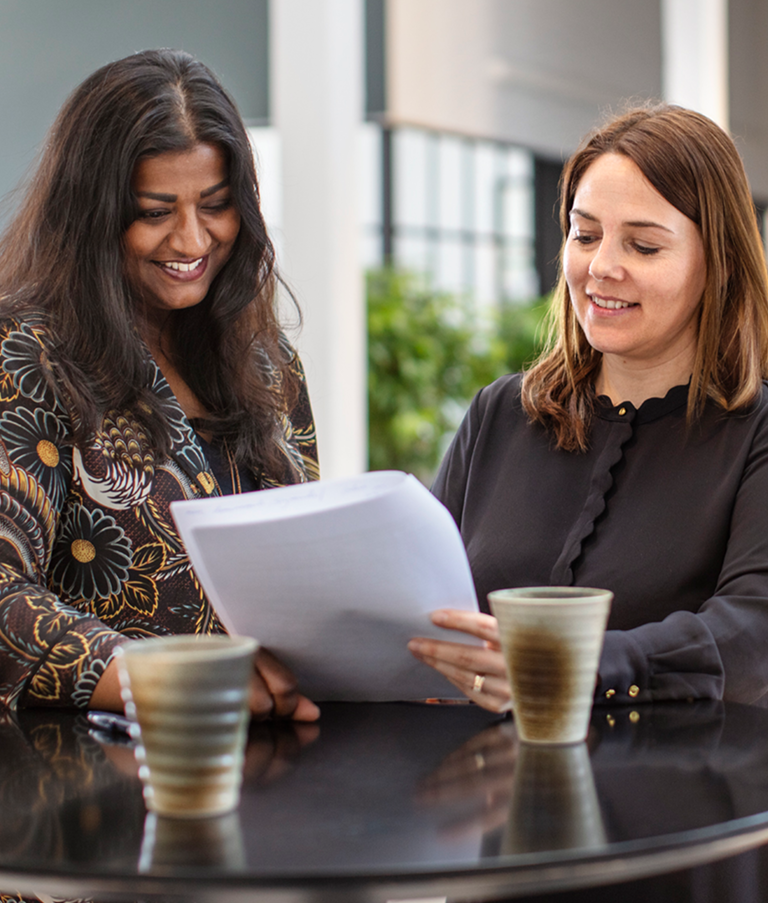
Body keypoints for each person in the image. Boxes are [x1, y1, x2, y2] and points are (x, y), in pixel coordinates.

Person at [408, 103, 768, 713]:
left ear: (718, 263)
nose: (601, 268)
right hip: (480, 793)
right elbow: (420, 598)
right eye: (586, 234)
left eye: (644, 246)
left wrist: (575, 665)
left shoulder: (753, 433)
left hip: (674, 802)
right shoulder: (499, 413)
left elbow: (752, 631)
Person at [0, 49, 320, 721]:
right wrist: (159, 677)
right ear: (92, 216)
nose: (192, 238)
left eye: (216, 205)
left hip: (268, 772)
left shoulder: (268, 362)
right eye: (155, 211)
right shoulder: (27, 355)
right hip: (92, 789)